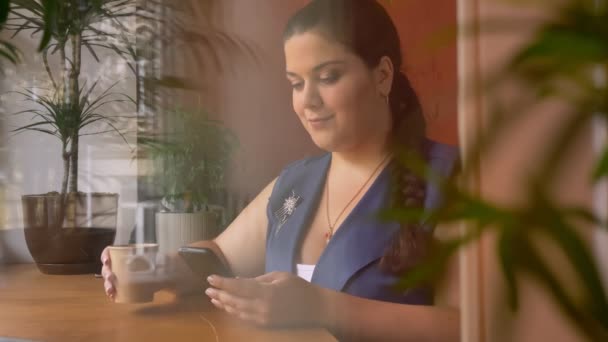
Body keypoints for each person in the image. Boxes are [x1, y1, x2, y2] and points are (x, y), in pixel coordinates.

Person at [102, 0, 460, 340]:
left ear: (382, 75)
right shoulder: (295, 182)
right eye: (296, 83)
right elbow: (219, 256)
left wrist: (321, 306)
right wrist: (155, 269)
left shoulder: (452, 179)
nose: (308, 101)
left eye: (328, 76)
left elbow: (471, 325)